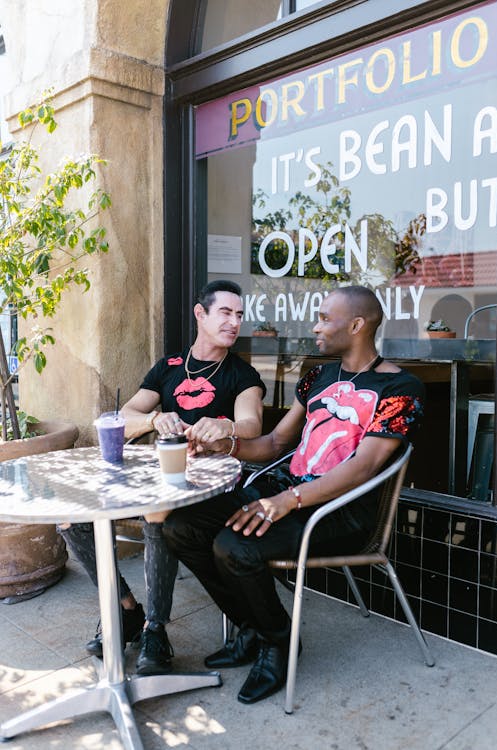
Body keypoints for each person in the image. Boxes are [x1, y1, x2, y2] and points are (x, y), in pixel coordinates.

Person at [163, 285, 425, 704]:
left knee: (236, 549)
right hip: (284, 491)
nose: (315, 326)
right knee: (181, 527)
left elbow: (365, 467)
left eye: (324, 318)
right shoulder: (318, 377)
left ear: (356, 326)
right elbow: (273, 444)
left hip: (340, 511)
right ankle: (251, 627)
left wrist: (288, 502)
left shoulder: (401, 389)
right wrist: (225, 445)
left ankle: (280, 642)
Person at [59, 280, 265, 665]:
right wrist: (154, 418)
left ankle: (156, 627)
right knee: (73, 518)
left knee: (157, 511)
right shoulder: (169, 367)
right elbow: (121, 417)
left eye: (239, 315)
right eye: (226, 312)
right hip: (155, 474)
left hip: (208, 483)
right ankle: (125, 608)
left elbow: (251, 424)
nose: (234, 322)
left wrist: (226, 427)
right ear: (200, 314)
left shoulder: (242, 375)